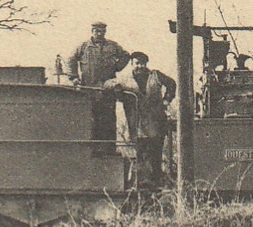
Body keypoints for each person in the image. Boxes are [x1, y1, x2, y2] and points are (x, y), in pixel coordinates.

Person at [104, 51, 177, 193]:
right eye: (137, 63)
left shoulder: (155, 75)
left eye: (142, 63)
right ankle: (143, 184)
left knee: (156, 151)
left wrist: (167, 100)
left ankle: (156, 183)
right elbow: (107, 84)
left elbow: (172, 84)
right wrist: (115, 88)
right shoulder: (125, 79)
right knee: (141, 152)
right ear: (132, 64)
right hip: (137, 122)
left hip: (156, 119)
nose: (140, 66)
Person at [70, 22, 130, 145]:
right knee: (91, 119)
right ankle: (92, 149)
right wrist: (74, 78)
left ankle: (109, 149)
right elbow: (71, 59)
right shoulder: (84, 46)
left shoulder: (112, 46)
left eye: (102, 31)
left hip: (107, 88)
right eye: (97, 31)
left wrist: (116, 67)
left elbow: (126, 56)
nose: (99, 34)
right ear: (92, 31)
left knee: (108, 119)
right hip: (89, 88)